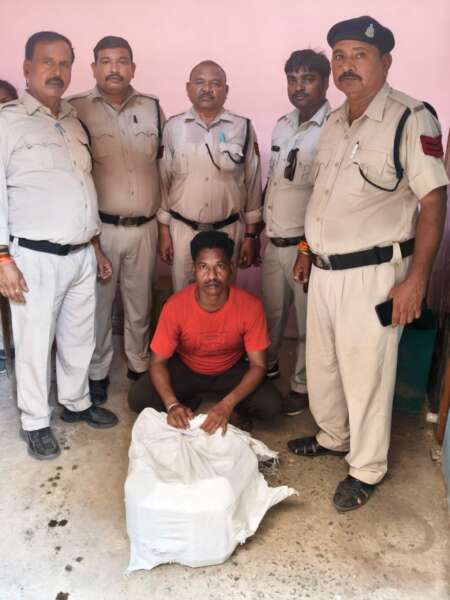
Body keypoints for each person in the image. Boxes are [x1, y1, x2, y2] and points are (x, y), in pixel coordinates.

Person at [288, 16, 448, 511]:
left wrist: (416, 280)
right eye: (340, 56)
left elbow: (433, 202)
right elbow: (326, 197)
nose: (347, 65)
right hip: (324, 269)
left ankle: (366, 467)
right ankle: (334, 436)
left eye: (359, 55)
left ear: (385, 61)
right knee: (325, 364)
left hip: (373, 275)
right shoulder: (335, 121)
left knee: (367, 373)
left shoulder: (410, 118)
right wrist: (307, 249)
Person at [0, 31, 118, 460]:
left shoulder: (71, 121)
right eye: (47, 62)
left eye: (64, 63)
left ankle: (76, 401)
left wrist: (95, 246)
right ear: (27, 68)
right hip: (33, 257)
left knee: (78, 336)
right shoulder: (7, 122)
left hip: (81, 253)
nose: (57, 71)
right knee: (34, 343)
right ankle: (35, 421)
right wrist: (2, 258)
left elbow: (82, 189)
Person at [69, 37, 165, 404]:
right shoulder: (75, 108)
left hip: (145, 227)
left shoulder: (152, 107)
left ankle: (139, 365)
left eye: (122, 61)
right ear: (94, 68)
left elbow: (163, 165)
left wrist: (163, 226)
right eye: (106, 61)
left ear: (133, 68)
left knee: (140, 304)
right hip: (101, 230)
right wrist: (90, 238)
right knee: (98, 306)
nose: (114, 68)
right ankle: (97, 371)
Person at [128, 231, 282, 433]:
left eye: (220, 266)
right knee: (139, 398)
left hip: (230, 369)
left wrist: (227, 404)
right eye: (203, 267)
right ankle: (187, 401)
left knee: (272, 406)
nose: (212, 276)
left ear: (231, 268)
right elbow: (157, 362)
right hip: (187, 368)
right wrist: (172, 404)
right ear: (193, 270)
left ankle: (230, 405)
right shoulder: (175, 305)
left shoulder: (250, 306)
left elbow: (259, 366)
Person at [261, 50, 331, 416]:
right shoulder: (282, 125)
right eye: (292, 79)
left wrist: (306, 248)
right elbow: (274, 180)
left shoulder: (334, 127)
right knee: (270, 317)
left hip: (305, 248)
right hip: (274, 242)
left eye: (308, 79)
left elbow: (325, 198)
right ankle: (267, 370)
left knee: (306, 325)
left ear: (325, 82)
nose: (298, 87)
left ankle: (301, 386)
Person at [158, 60, 262, 291]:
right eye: (199, 82)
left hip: (228, 231)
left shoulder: (242, 127)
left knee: (222, 297)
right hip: (183, 232)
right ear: (188, 88)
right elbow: (163, 181)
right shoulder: (173, 127)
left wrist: (251, 236)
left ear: (226, 90)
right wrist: (164, 231)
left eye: (215, 83)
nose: (207, 89)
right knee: (183, 298)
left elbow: (253, 182)